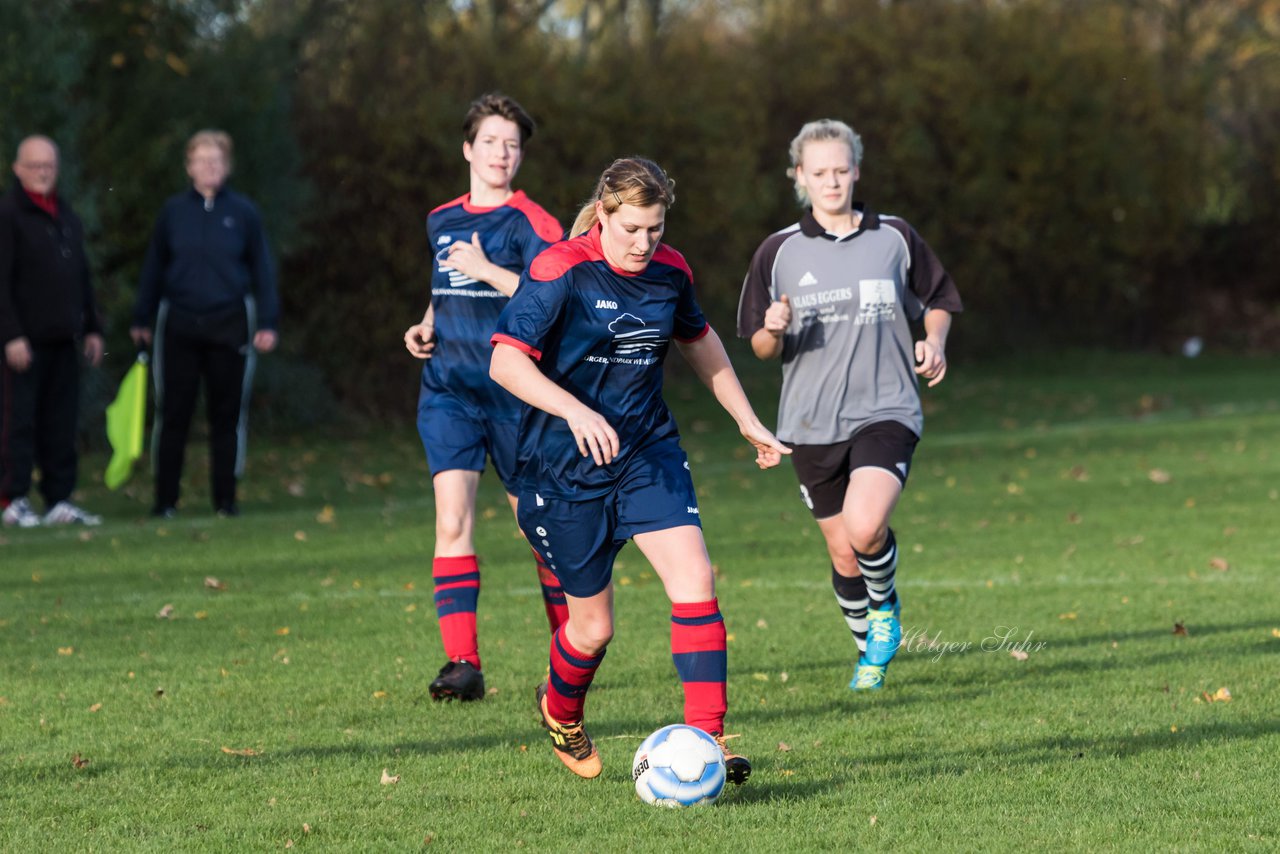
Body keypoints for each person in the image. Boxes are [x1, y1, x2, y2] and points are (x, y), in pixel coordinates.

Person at [490, 156, 788, 782]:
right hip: (562, 468)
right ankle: (561, 711)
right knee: (593, 628)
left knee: (696, 579)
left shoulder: (670, 270)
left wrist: (746, 418)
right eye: (631, 229)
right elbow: (507, 365)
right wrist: (575, 411)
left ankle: (709, 740)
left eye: (654, 229)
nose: (643, 243)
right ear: (603, 214)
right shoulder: (559, 269)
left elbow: (699, 339)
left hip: (646, 451)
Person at [737, 119, 962, 691]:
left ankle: (885, 608)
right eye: (819, 172)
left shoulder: (894, 237)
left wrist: (933, 341)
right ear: (799, 178)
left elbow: (937, 299)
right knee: (842, 553)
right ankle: (870, 659)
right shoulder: (778, 251)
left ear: (856, 170)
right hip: (809, 422)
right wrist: (772, 326)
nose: (831, 181)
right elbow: (762, 347)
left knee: (866, 528)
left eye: (841, 169)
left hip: (886, 407)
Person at [402, 93, 566, 702]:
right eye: (491, 141)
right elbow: (445, 288)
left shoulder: (531, 222)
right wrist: (426, 325)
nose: (502, 153)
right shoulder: (441, 218)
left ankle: (570, 651)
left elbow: (558, 294)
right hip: (448, 390)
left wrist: (488, 270)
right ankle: (462, 664)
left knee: (538, 529)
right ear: (468, 148)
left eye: (513, 144)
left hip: (515, 395)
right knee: (452, 519)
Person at [130, 130, 279, 518]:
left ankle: (225, 501)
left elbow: (262, 269)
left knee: (227, 415)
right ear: (189, 166)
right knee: (173, 411)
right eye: (202, 160)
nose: (209, 167)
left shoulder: (243, 213)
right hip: (178, 322)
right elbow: (154, 267)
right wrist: (140, 317)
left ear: (227, 166)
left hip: (230, 322)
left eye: (216, 160)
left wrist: (267, 321)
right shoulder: (173, 212)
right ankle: (164, 501)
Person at [0, 135, 104, 528]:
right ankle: (12, 498)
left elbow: (81, 276)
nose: (42, 172)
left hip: (64, 338)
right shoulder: (8, 215)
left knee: (61, 423)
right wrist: (10, 334)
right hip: (23, 342)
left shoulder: (66, 216)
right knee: (17, 422)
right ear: (18, 169)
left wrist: (93, 327)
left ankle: (59, 499)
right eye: (35, 165)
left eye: (49, 166)